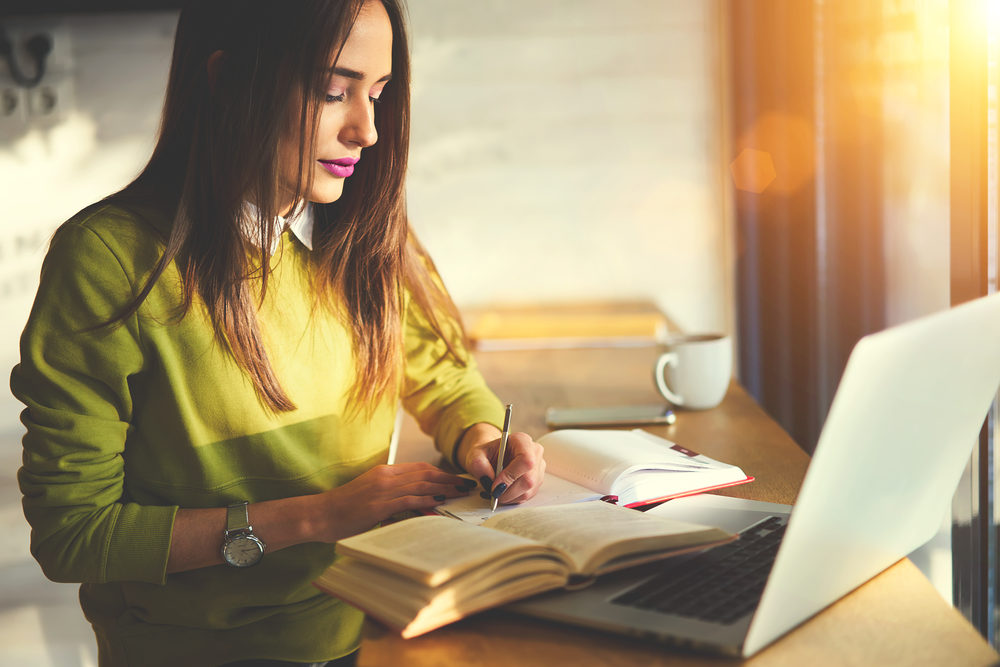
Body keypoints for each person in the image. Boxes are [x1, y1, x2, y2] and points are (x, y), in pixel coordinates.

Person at [10, 1, 546, 665]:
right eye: (333, 91)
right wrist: (320, 515)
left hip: (363, 627)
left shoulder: (366, 240)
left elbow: (443, 376)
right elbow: (74, 534)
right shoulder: (109, 261)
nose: (367, 130)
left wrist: (481, 438)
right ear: (229, 78)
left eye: (378, 94)